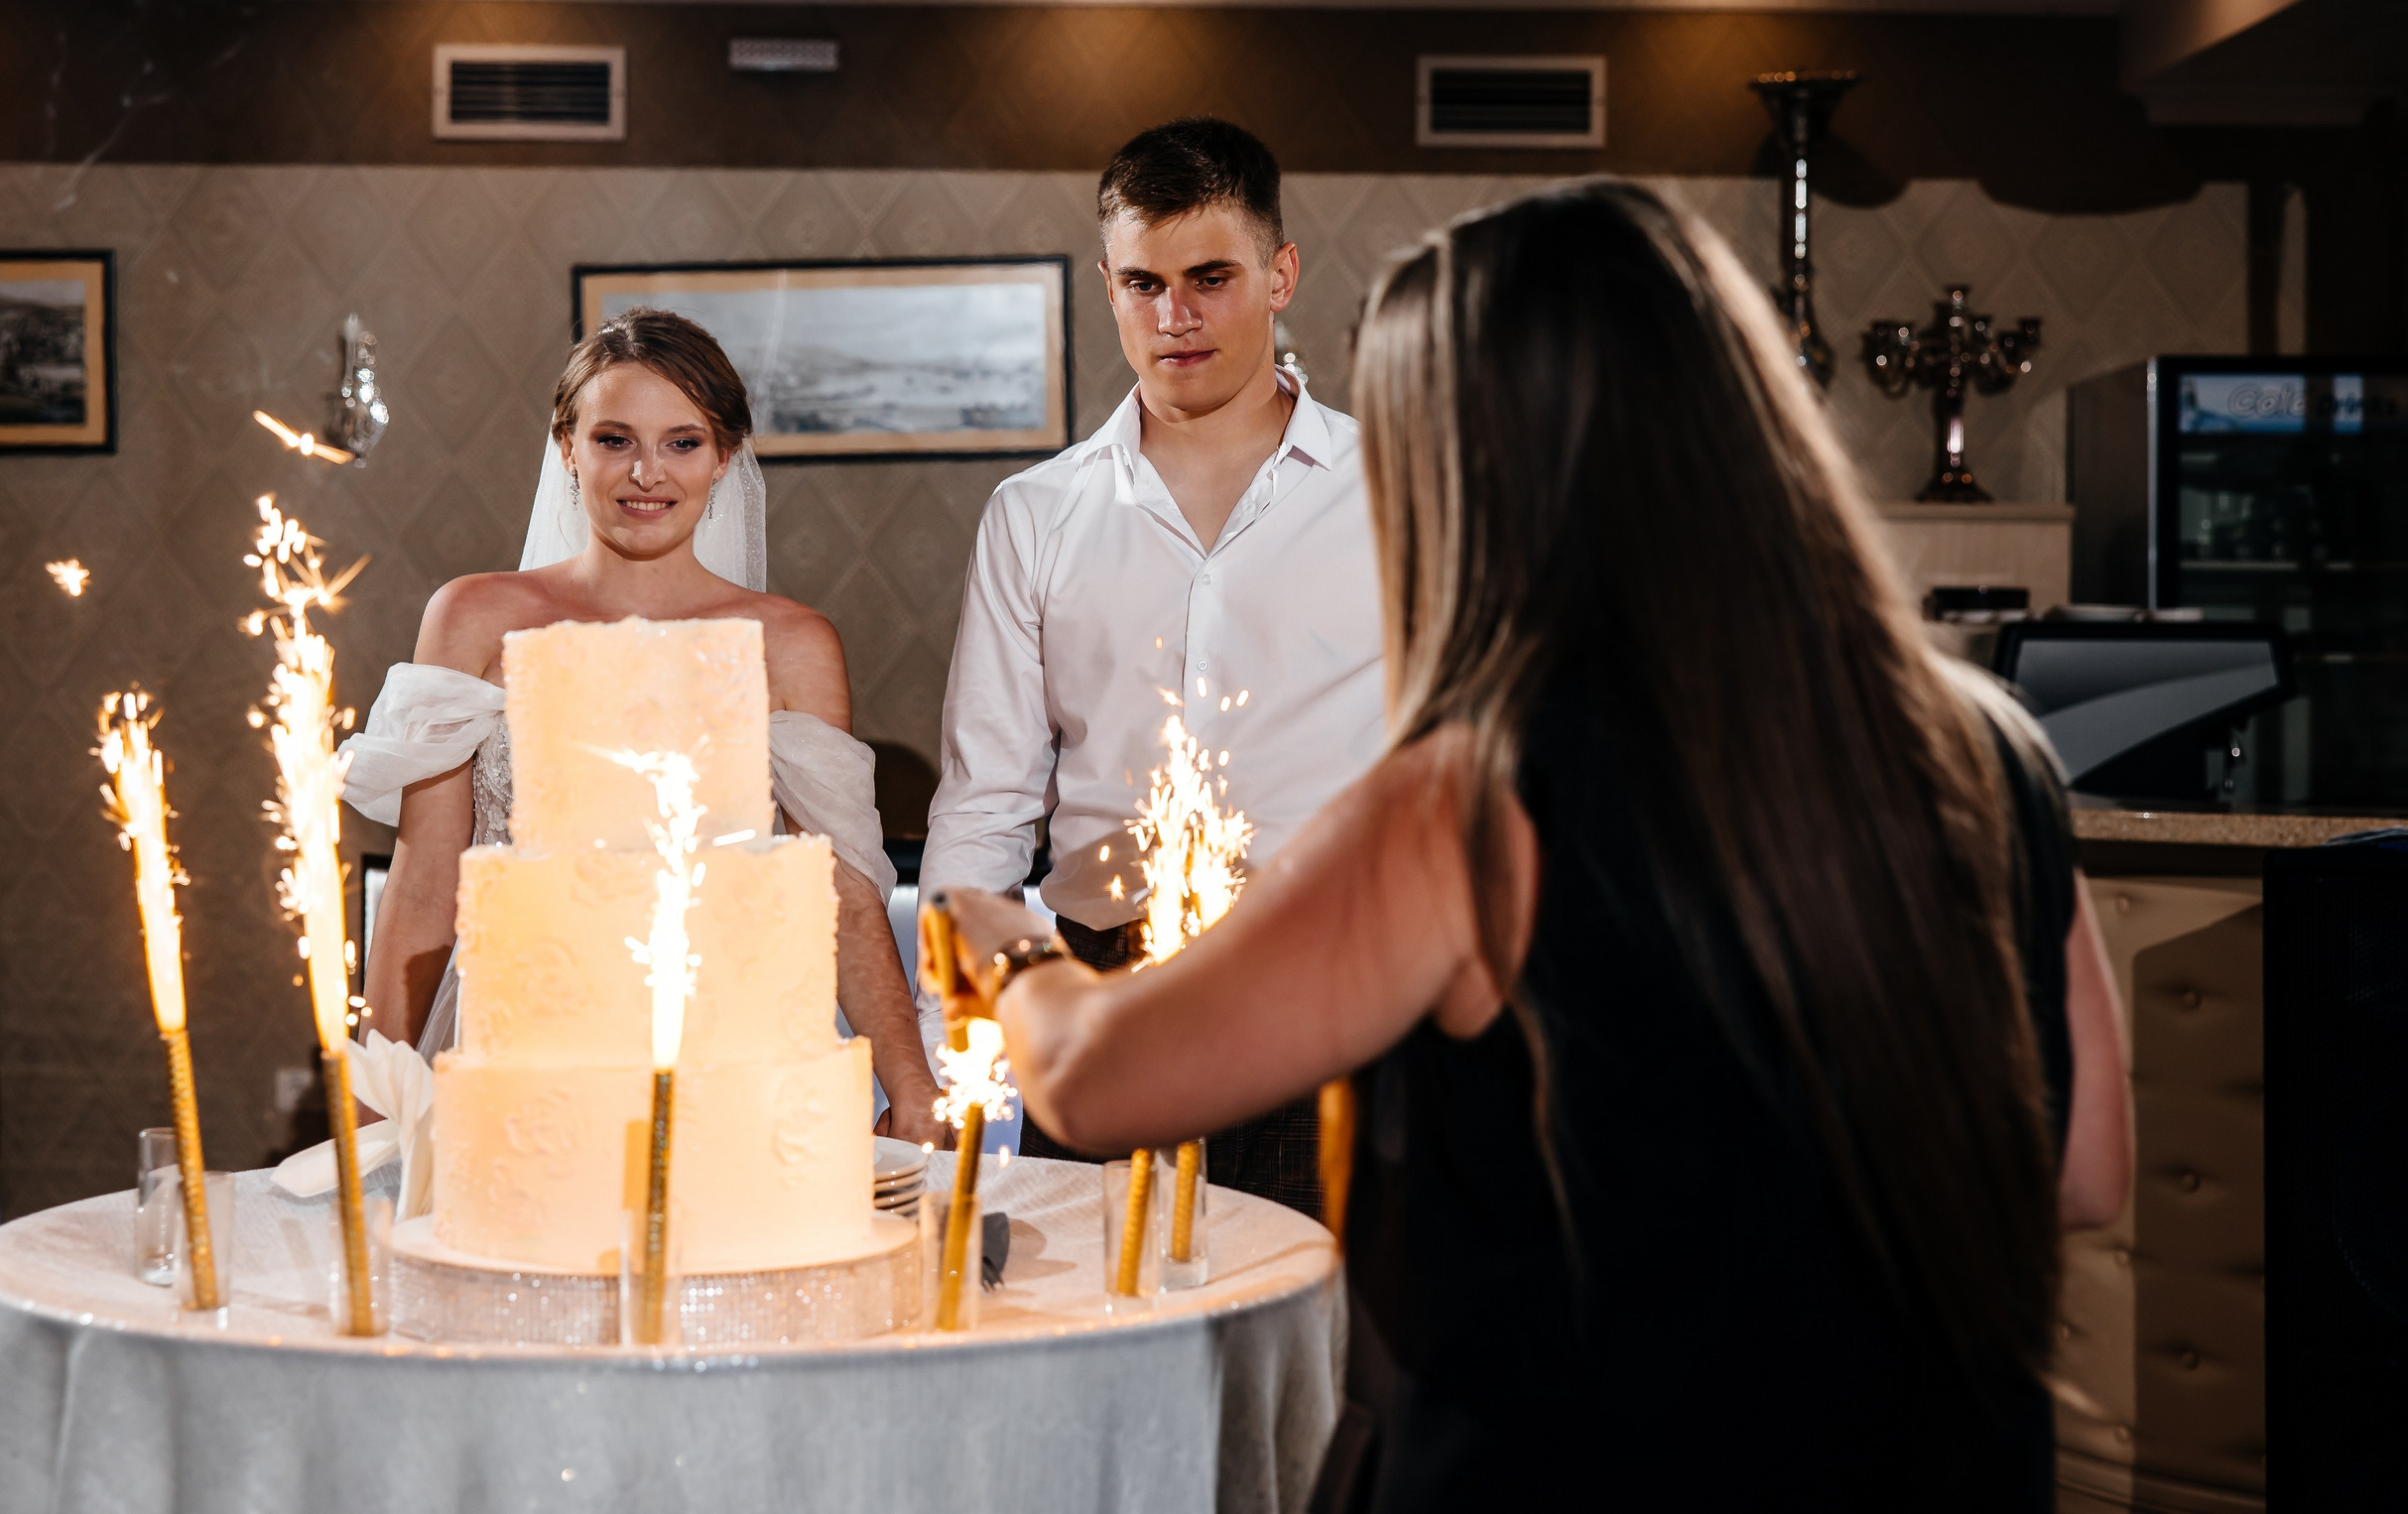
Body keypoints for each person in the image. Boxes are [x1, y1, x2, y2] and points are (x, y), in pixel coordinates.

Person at [936, 181, 2133, 1510]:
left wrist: (1013, 950)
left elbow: (1101, 1083)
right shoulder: (1988, 752)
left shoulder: (1469, 798)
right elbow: (2084, 1169)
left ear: (1475, 470)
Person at [920, 117, 1385, 1214]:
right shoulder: (1033, 515)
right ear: (1109, 286)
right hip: (1101, 999)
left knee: (1315, 1313)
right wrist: (954, 1044)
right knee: (1096, 1305)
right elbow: (986, 799)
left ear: (1280, 275)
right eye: (1144, 284)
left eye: (1210, 278)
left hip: (1330, 990)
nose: (1175, 316)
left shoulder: (1397, 487)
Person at [343, 307, 942, 1145]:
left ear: (724, 456)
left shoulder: (789, 643)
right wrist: (373, 1096)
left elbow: (838, 887)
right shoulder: (474, 618)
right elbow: (422, 886)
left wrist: (909, 1081)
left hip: (725, 1063)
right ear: (568, 446)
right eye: (614, 439)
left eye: (682, 442)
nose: (647, 473)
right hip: (529, 1055)